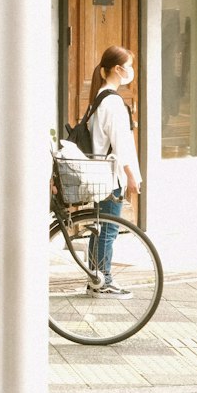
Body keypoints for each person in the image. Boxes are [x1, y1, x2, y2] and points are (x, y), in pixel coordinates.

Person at [86, 44, 142, 298]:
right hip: (111, 176)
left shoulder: (99, 97)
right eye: (128, 67)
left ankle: (95, 279)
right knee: (108, 230)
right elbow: (121, 145)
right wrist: (131, 176)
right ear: (118, 69)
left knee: (99, 228)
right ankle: (103, 280)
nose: (131, 71)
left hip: (99, 174)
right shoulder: (113, 102)